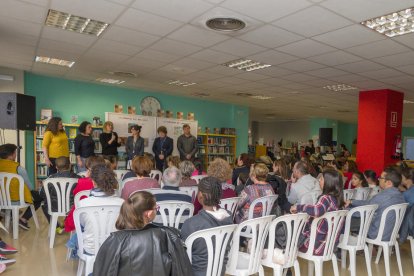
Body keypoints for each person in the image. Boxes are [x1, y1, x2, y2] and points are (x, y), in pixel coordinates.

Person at [93, 191, 193, 276]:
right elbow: (182, 270)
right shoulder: (168, 236)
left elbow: (103, 270)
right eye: (156, 208)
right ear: (148, 214)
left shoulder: (114, 240)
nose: (156, 210)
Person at [181, 176, 234, 276]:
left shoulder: (191, 223)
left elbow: (183, 256)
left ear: (200, 195)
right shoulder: (229, 217)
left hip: (196, 273)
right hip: (220, 271)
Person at [290, 169, 344, 255]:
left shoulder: (326, 198)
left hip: (314, 245)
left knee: (288, 233)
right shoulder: (338, 200)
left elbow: (317, 210)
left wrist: (298, 207)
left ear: (328, 183)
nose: (319, 180)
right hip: (329, 245)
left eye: (321, 179)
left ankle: (283, 261)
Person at [345, 167, 406, 241]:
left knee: (343, 220)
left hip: (376, 233)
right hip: (390, 233)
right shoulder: (400, 196)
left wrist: (345, 210)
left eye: (381, 178)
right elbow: (369, 203)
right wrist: (352, 202)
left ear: (389, 182)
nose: (378, 179)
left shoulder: (383, 196)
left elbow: (365, 211)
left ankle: (339, 248)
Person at [76, 164, 124, 255]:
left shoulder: (83, 203)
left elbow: (81, 224)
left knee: (77, 236)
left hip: (91, 249)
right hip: (115, 249)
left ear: (93, 182)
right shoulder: (122, 203)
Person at [0, 144, 43, 230]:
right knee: (39, 199)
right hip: (16, 199)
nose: (16, 155)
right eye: (15, 153)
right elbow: (30, 187)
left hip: (2, 199)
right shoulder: (19, 169)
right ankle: (23, 219)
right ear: (11, 155)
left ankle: (11, 215)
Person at [64, 156, 106, 233]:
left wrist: (85, 179)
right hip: (103, 216)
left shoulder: (82, 182)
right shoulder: (109, 183)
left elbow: (76, 196)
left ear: (89, 170)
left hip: (84, 216)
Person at [41, 156, 80, 234]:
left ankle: (57, 227)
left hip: (54, 208)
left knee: (44, 205)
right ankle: (68, 224)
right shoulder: (78, 178)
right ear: (70, 165)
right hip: (73, 208)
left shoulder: (49, 179)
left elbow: (42, 194)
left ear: (56, 167)